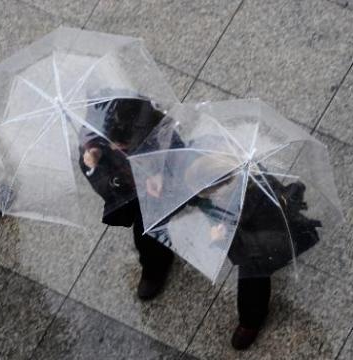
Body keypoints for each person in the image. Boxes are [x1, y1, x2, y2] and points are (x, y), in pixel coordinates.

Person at [176, 152, 321, 350]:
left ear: (221, 187)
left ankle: (251, 321)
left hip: (269, 240)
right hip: (251, 226)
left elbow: (247, 250)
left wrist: (223, 238)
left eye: (205, 193)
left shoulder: (254, 202)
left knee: (252, 279)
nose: (203, 198)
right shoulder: (232, 173)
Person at [78, 93, 183, 301]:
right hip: (133, 197)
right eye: (114, 146)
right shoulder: (95, 143)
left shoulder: (158, 131)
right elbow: (104, 187)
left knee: (153, 229)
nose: (117, 149)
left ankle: (158, 261)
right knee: (145, 235)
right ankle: (155, 265)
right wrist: (95, 168)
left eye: (122, 147)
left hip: (161, 189)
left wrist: (158, 173)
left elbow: (180, 156)